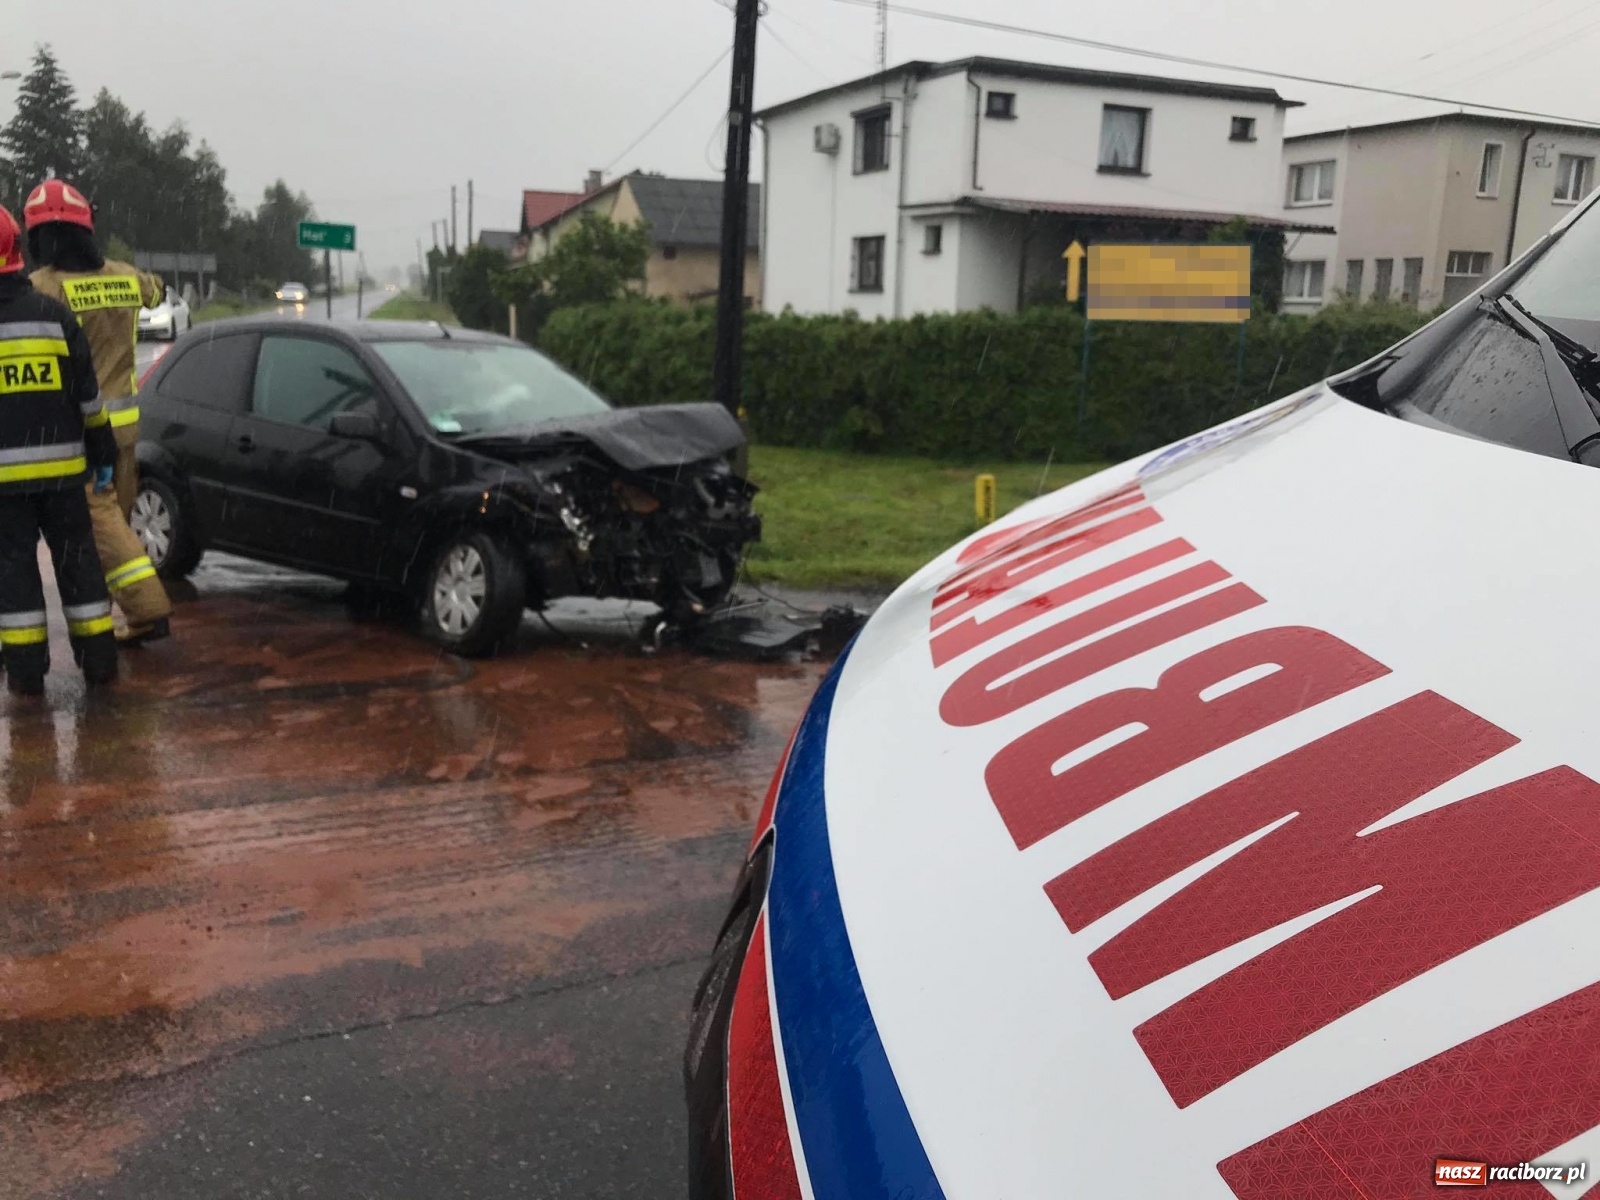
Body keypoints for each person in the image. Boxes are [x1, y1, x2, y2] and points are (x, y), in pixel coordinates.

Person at [25, 178, 172, 646]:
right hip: (127, 427)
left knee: (103, 528)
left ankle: (148, 610)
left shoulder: (44, 287)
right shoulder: (127, 277)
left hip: (84, 431)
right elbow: (158, 293)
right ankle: (110, 612)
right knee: (116, 524)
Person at [0, 201, 118, 696]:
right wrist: (104, 452)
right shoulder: (54, 316)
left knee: (15, 575)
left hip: (4, 489)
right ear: (19, 254)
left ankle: (27, 675)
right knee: (79, 567)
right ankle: (98, 665)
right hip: (65, 477)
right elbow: (89, 397)